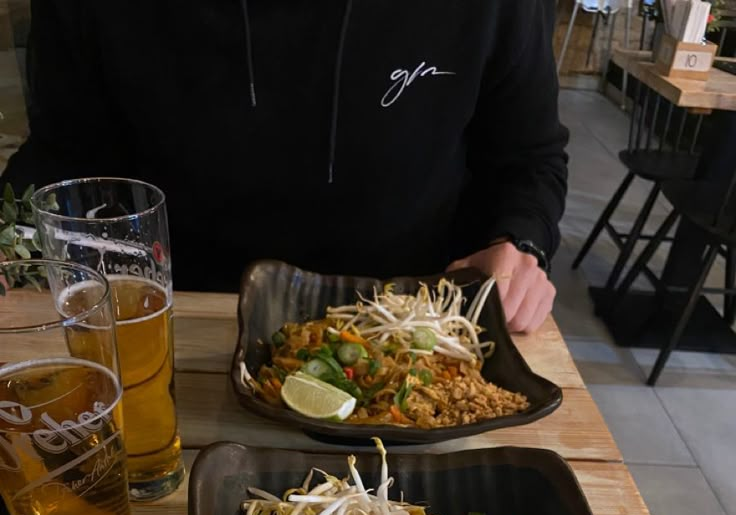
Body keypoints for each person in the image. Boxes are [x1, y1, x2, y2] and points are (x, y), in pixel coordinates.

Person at [2, 1, 568, 333]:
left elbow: (529, 156)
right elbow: (64, 151)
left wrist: (520, 242)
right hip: (183, 320)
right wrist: (9, 238)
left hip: (416, 324)